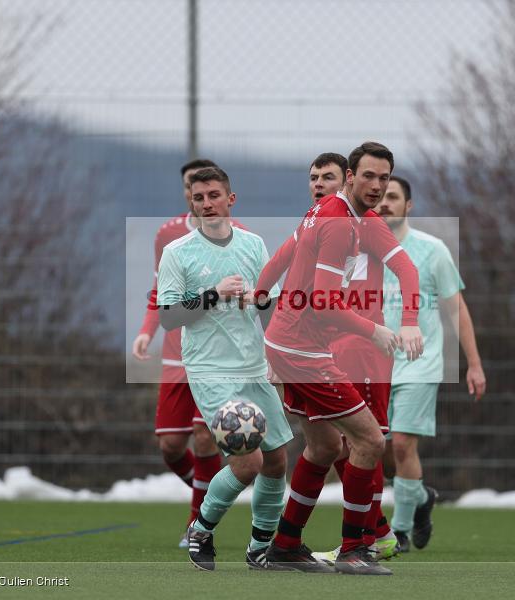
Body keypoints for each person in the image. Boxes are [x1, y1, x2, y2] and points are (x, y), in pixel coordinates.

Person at [257, 142, 422, 576]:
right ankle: (355, 550)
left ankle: (286, 545)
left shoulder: (333, 214)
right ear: (350, 176)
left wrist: (259, 295)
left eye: (384, 178)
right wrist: (379, 330)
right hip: (305, 350)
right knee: (370, 441)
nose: (377, 185)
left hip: (289, 342)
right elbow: (326, 303)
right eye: (368, 176)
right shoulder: (337, 223)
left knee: (325, 445)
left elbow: (287, 262)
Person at [157, 166, 294, 572]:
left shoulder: (252, 245)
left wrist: (261, 301)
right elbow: (167, 317)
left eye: (213, 195)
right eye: (198, 198)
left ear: (230, 200)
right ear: (191, 203)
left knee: (276, 460)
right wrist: (214, 294)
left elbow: (272, 303)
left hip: (253, 366)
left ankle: (259, 547)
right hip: (210, 370)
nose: (206, 203)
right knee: (247, 462)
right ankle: (201, 529)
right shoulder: (178, 252)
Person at [377, 175, 486, 552]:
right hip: (372, 367)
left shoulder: (432, 249)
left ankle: (401, 530)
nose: (385, 202)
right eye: (380, 197)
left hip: (418, 364)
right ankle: (421, 498)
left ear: (408, 206)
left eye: (393, 197)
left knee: (404, 446)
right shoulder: (358, 253)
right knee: (379, 451)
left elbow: (455, 308)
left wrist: (474, 363)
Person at [131, 159, 223, 547]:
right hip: (175, 357)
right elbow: (159, 292)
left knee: (204, 437)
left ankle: (198, 523)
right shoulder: (168, 235)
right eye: (191, 187)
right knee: (170, 445)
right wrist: (145, 332)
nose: (196, 194)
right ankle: (209, 493)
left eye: (206, 189)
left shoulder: (242, 238)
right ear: (186, 190)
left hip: (215, 357)